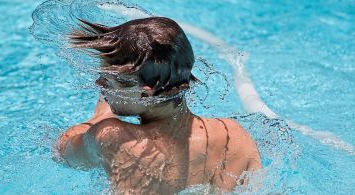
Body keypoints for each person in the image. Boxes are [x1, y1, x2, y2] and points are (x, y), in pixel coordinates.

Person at [58, 17, 261, 194]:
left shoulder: (113, 138)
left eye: (109, 81)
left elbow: (63, 151)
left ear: (146, 93)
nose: (98, 84)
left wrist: (100, 117)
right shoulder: (234, 136)